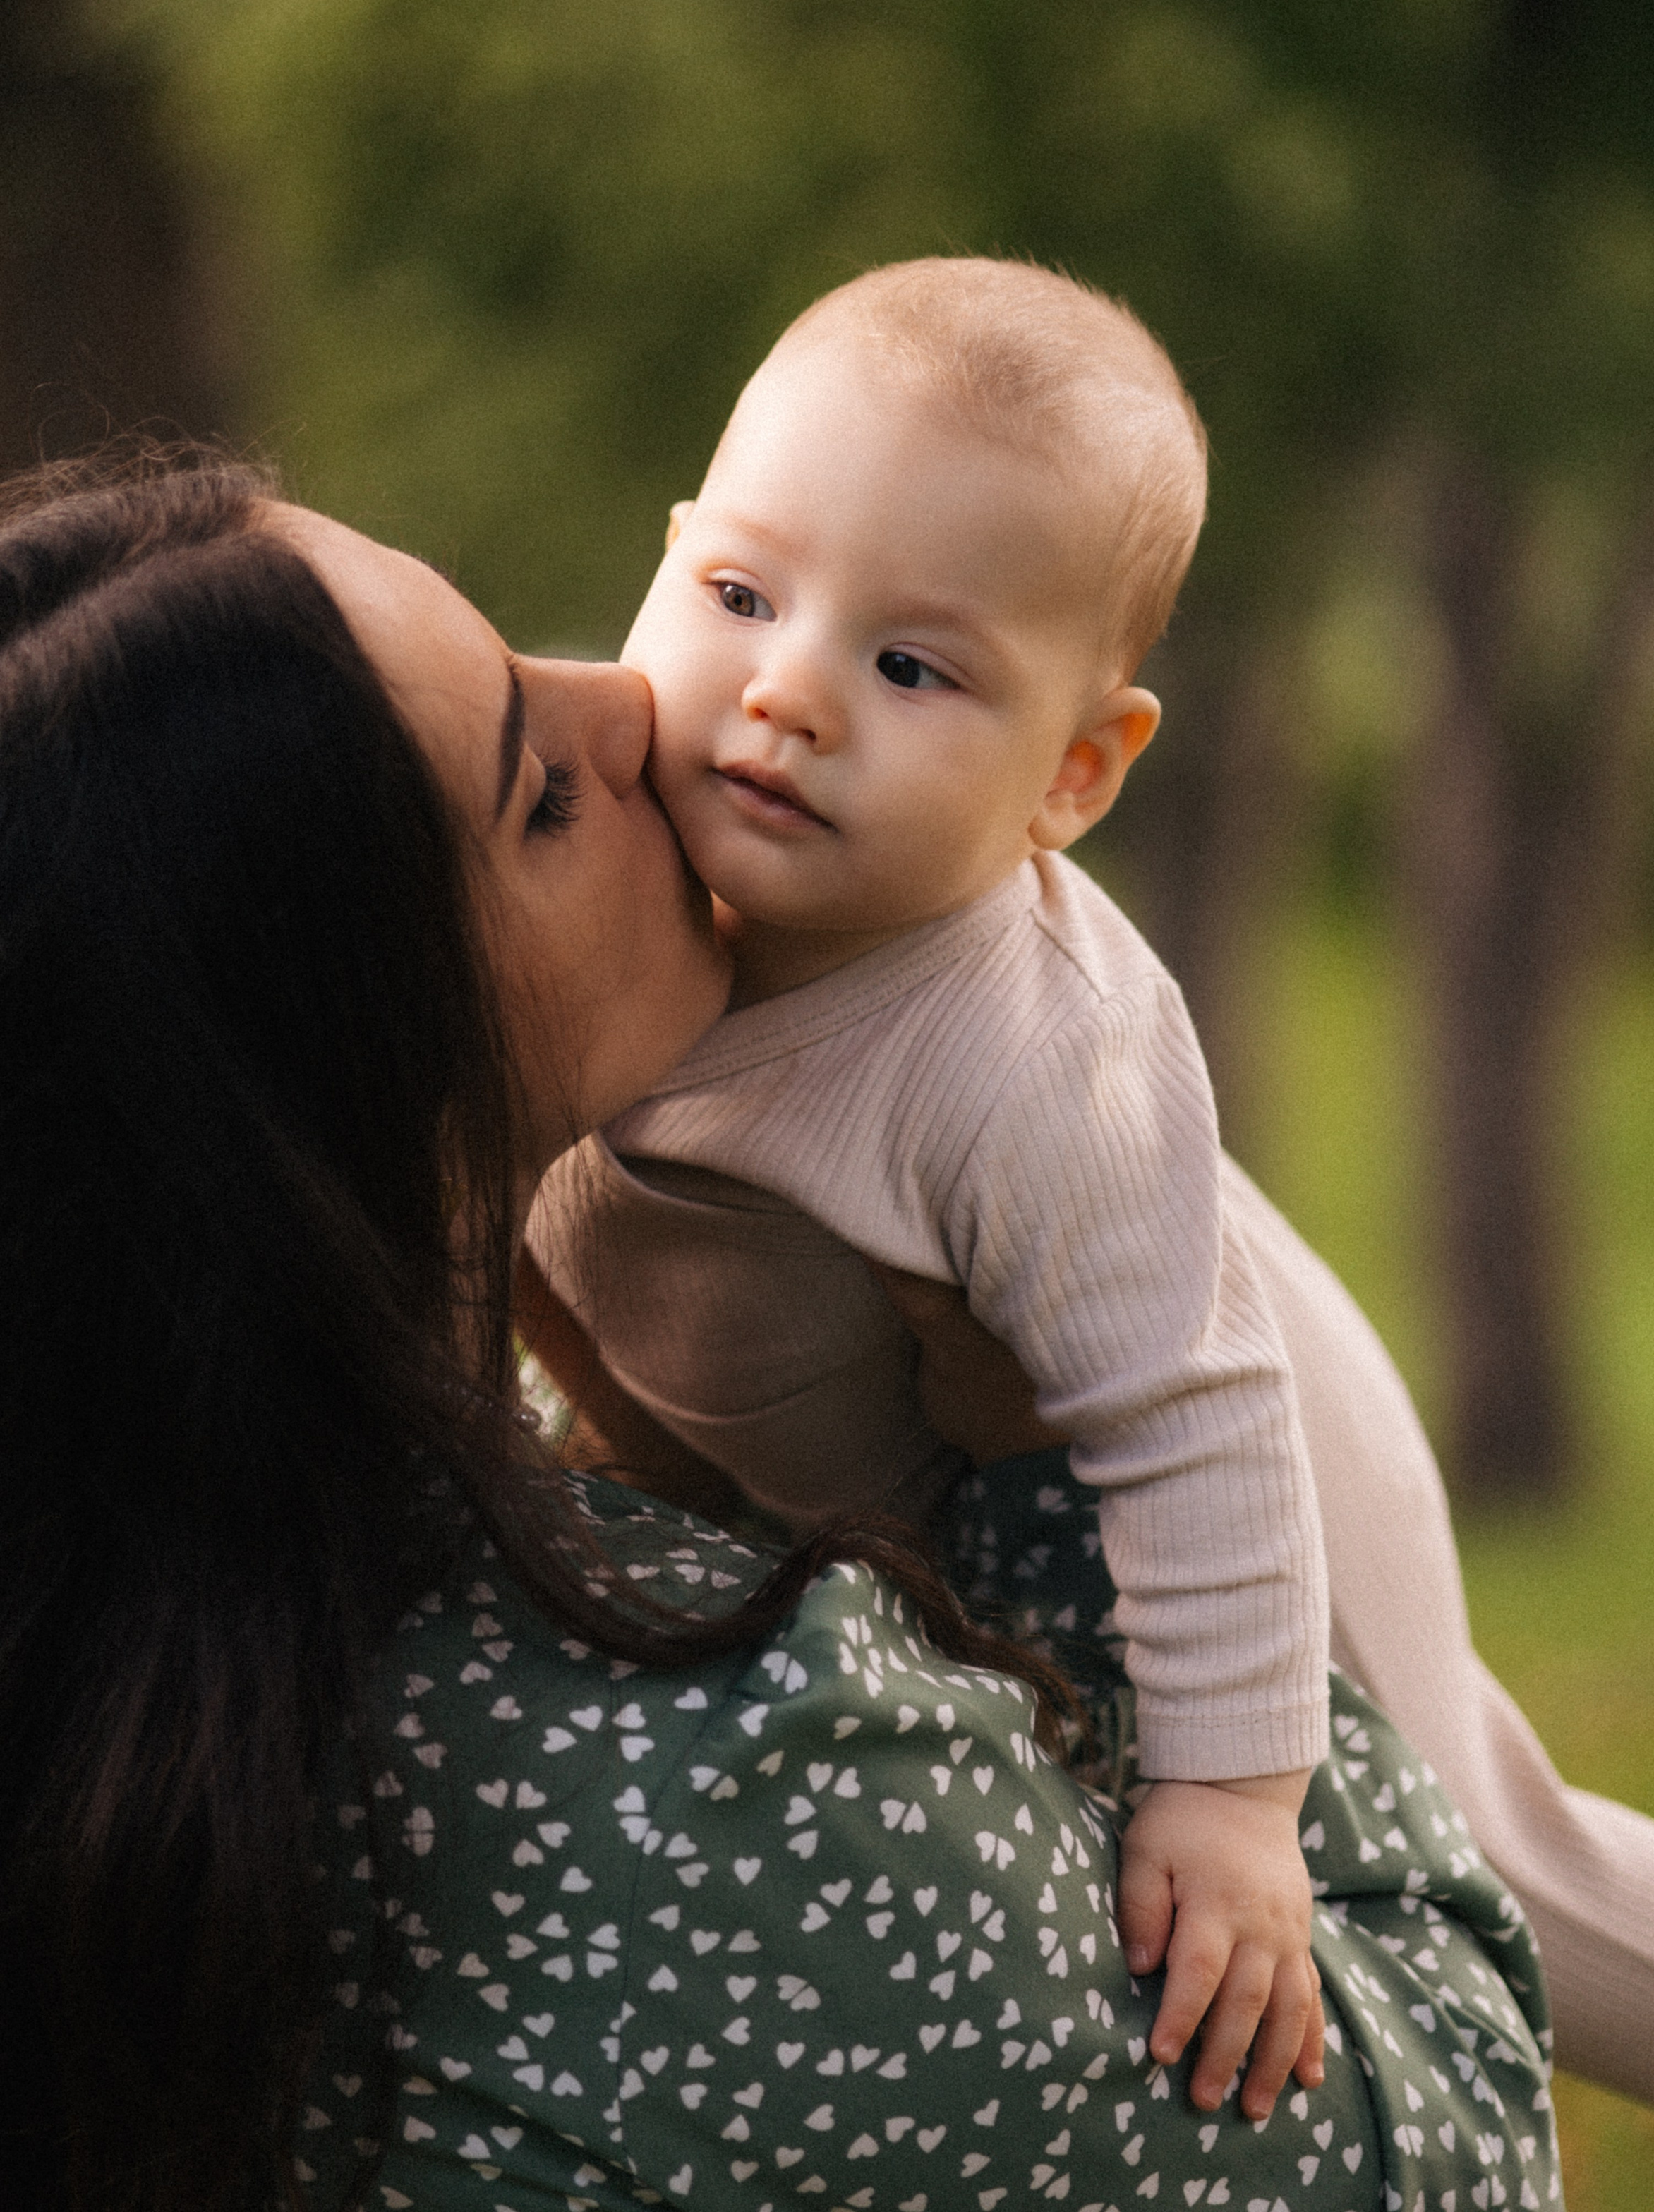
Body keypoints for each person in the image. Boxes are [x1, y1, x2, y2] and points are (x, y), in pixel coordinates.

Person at [0, 454, 1559, 2212]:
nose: (638, 702)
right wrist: (1035, 1456)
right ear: (339, 1084)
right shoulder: (720, 1793)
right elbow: (1454, 2148)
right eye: (537, 796)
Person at [529, 258, 1331, 2113]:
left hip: (1211, 1458)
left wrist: (1233, 1795)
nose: (787, 691)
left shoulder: (1024, 1060)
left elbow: (1199, 1420)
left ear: (1072, 773)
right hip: (849, 1488)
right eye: (738, 593)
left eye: (911, 664)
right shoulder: (600, 823)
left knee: (1479, 1850)